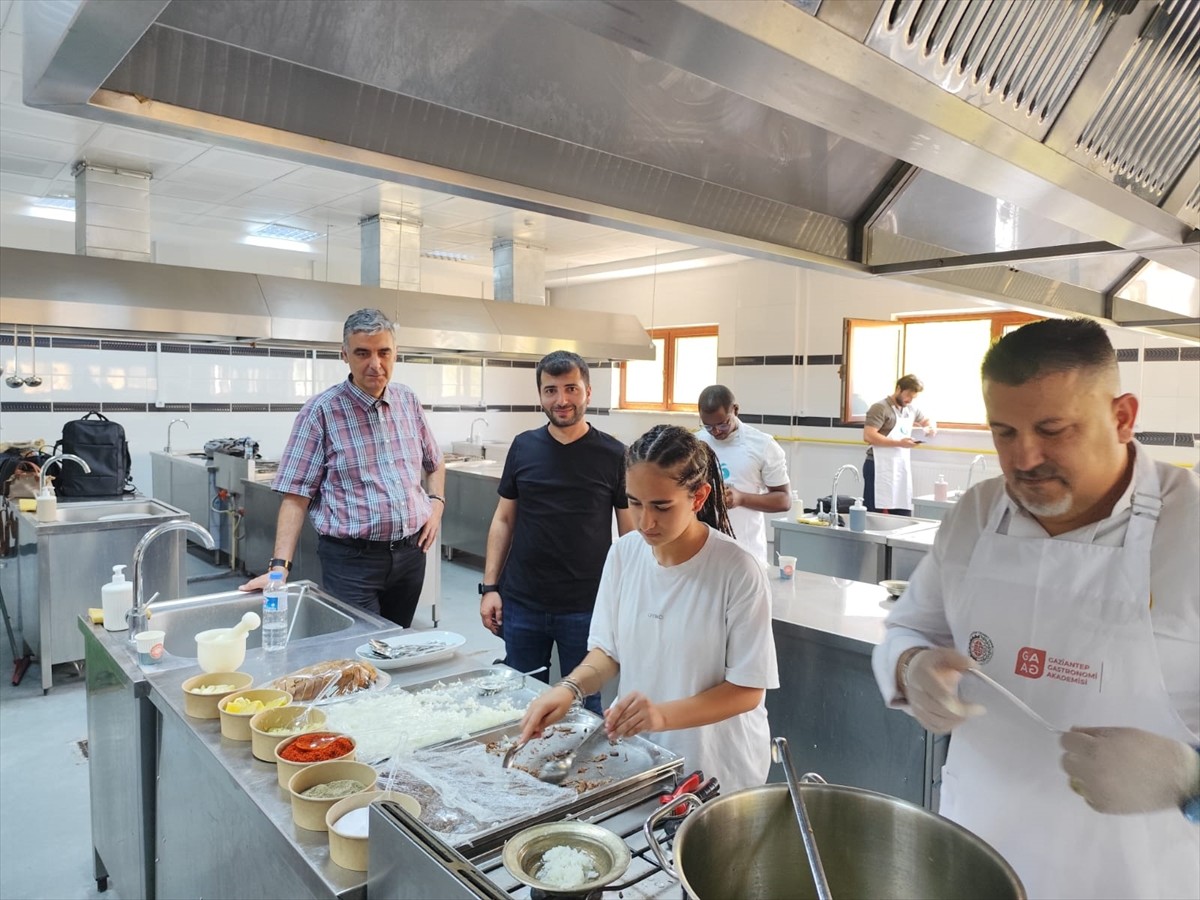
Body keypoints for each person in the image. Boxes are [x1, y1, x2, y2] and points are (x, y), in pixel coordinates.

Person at [872, 318, 1199, 899]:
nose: (1024, 459)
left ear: (1123, 416)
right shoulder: (977, 514)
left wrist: (1188, 780)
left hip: (1137, 875)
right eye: (1003, 432)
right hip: (978, 851)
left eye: (1054, 429)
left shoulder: (1190, 529)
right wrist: (910, 666)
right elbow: (909, 626)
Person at [518, 424, 779, 793]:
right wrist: (570, 688)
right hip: (645, 759)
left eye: (661, 506)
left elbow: (747, 689)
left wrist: (660, 715)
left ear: (699, 497)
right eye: (635, 503)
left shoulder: (736, 571)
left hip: (718, 767)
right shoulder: (624, 554)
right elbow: (607, 652)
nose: (645, 522)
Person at [239, 308, 445, 628]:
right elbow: (296, 494)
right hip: (352, 563)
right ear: (344, 355)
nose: (375, 364)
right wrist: (279, 567)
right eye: (362, 353)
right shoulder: (321, 411)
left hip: (410, 555)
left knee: (396, 645)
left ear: (395, 353)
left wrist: (437, 504)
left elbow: (435, 462)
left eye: (383, 352)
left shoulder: (407, 401)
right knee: (359, 652)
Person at [479, 350, 635, 714]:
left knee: (585, 702)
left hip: (587, 606)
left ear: (588, 392)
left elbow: (630, 535)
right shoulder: (523, 446)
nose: (561, 400)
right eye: (550, 390)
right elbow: (504, 519)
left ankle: (584, 771)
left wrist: (626, 601)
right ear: (540, 395)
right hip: (522, 601)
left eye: (571, 389)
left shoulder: (614, 454)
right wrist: (490, 588)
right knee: (519, 694)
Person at [696, 385, 791, 562]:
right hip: (703, 548)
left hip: (746, 550)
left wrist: (741, 498)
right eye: (708, 427)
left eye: (723, 424)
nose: (716, 432)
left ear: (735, 410)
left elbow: (784, 500)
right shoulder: (696, 443)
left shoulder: (762, 445)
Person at [862, 374, 936, 515]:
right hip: (877, 465)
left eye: (913, 397)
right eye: (908, 395)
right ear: (898, 389)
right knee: (874, 510)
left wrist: (930, 427)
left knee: (902, 507)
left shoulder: (911, 409)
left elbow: (926, 420)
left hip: (899, 466)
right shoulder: (880, 408)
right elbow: (868, 435)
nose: (909, 400)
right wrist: (899, 443)